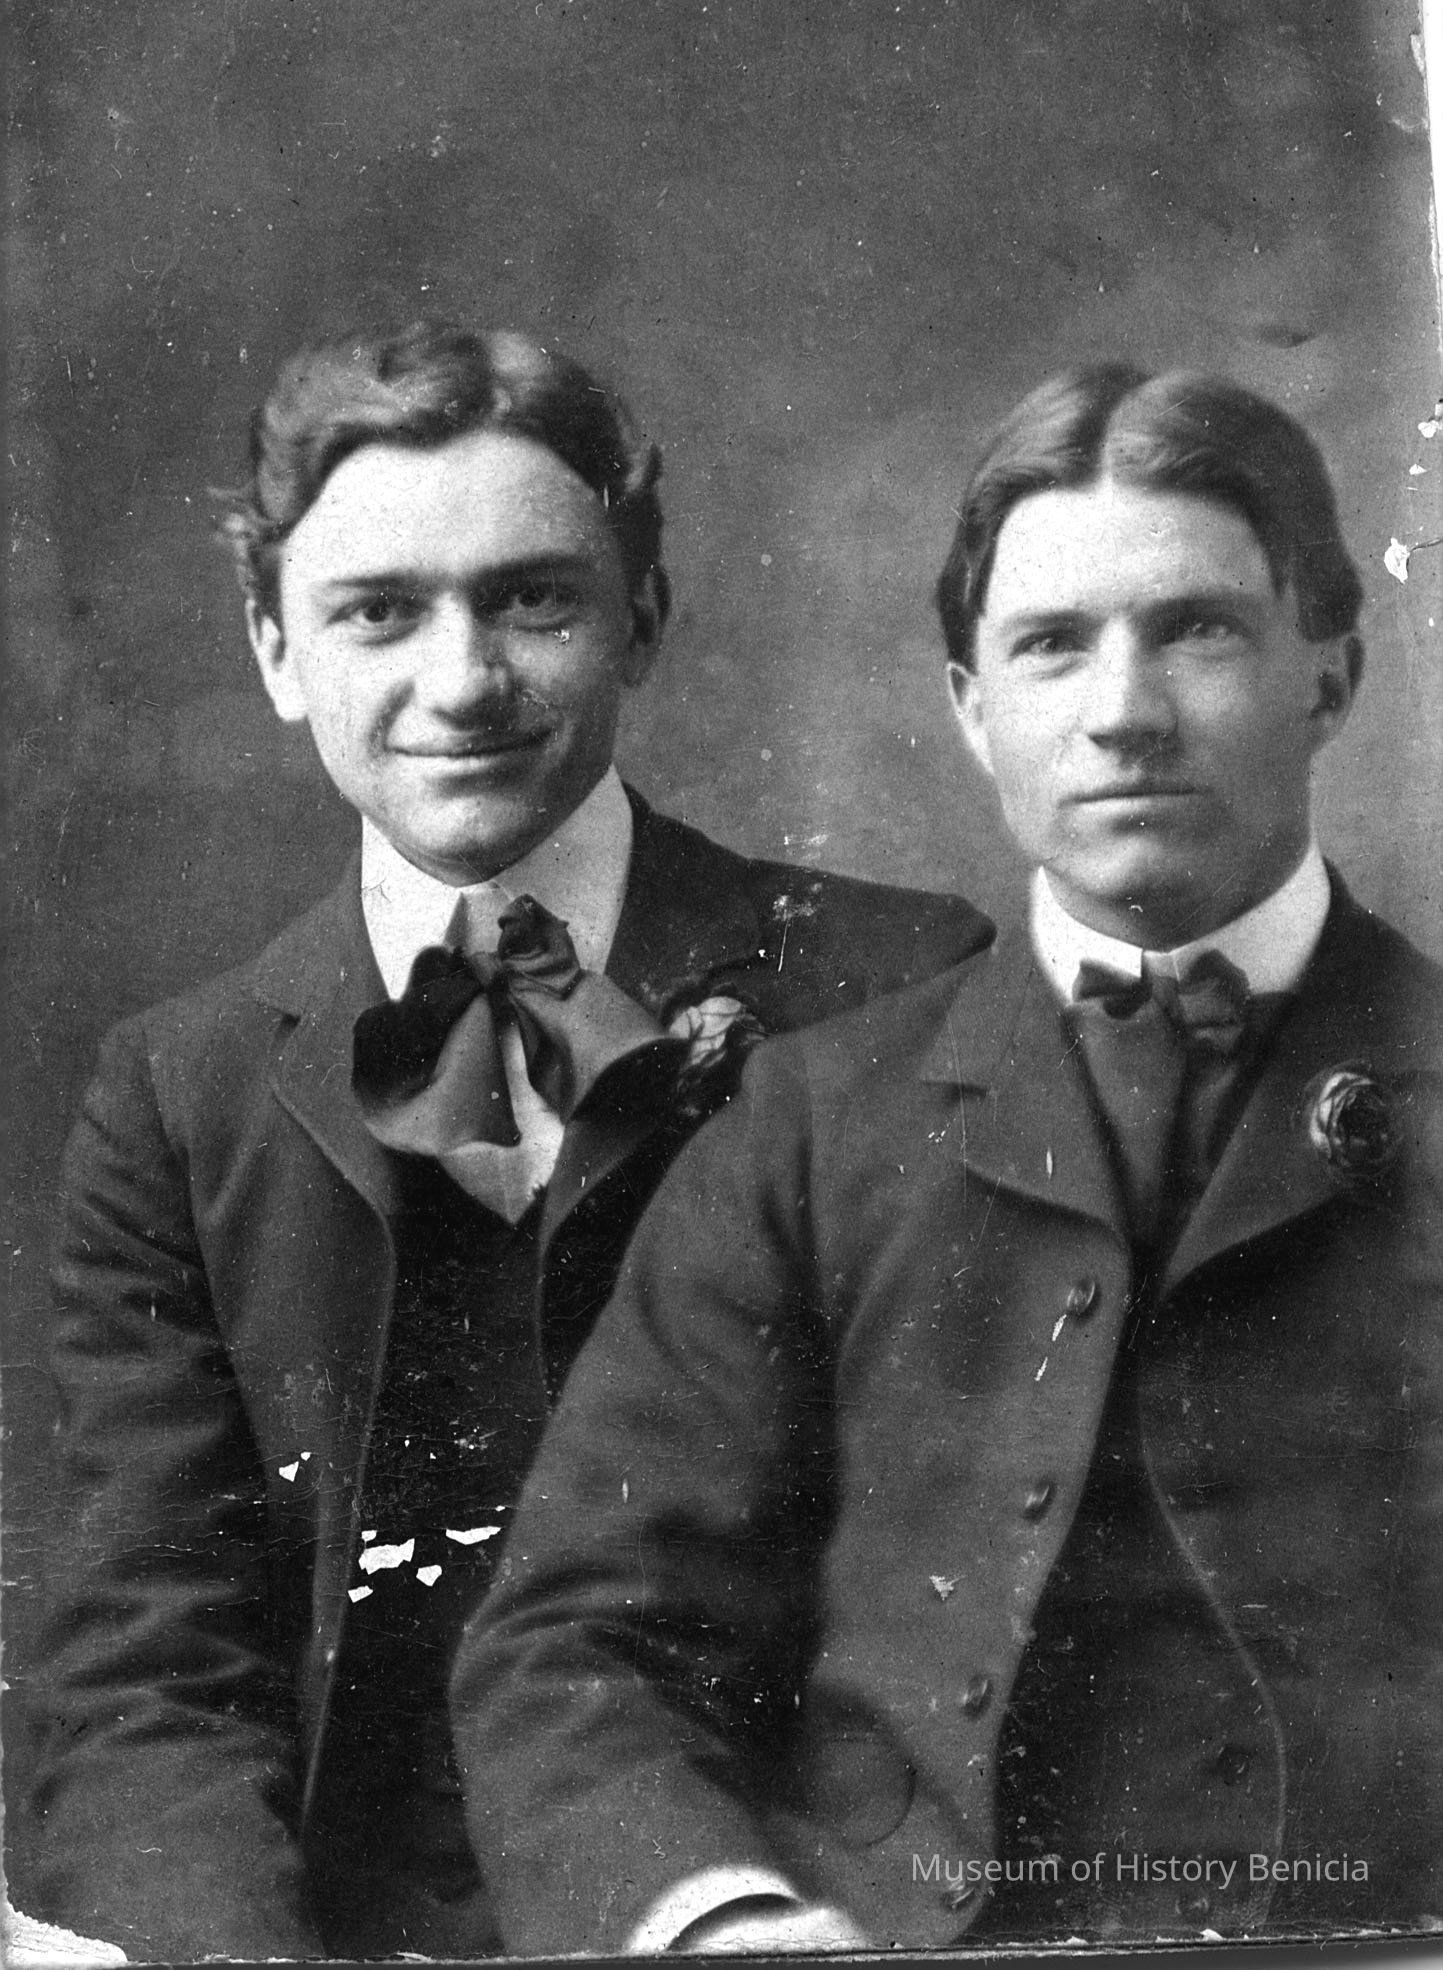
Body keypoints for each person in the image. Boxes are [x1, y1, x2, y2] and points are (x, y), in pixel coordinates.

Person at [24, 318, 992, 1963]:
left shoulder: (896, 988)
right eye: (377, 612)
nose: (461, 682)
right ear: (274, 649)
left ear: (644, 621)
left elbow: (959, 1582)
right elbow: (146, 1668)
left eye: (533, 600)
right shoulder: (176, 1094)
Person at [452, 364, 1443, 1955]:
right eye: (1052, 644)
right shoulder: (809, 1126)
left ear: (1331, 674)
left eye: (1196, 628)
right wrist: (720, 1919)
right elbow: (576, 1647)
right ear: (974, 707)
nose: (1122, 710)